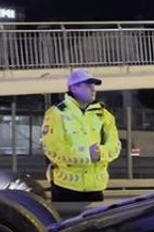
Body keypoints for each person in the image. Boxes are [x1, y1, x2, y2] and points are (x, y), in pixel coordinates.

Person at [41, 70, 121, 202]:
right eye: (87, 85)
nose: (93, 89)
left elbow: (115, 146)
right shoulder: (56, 114)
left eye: (93, 85)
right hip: (66, 187)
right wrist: (86, 154)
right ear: (73, 88)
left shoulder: (104, 115)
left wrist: (100, 152)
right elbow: (52, 149)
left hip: (96, 187)